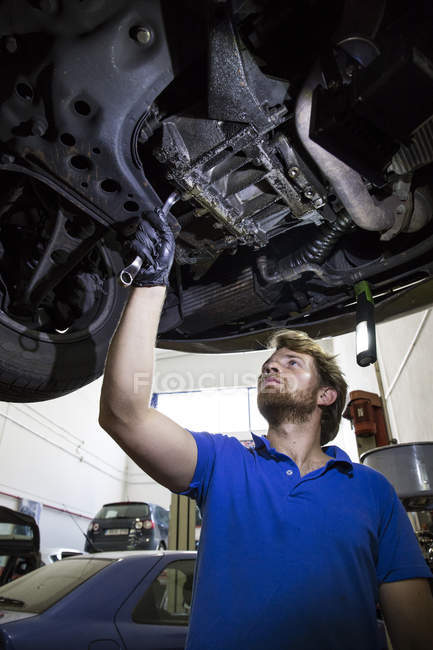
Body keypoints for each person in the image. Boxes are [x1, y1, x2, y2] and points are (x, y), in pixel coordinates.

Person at [99, 209, 433, 650]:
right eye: (269, 364)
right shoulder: (225, 461)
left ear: (326, 395)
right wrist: (151, 284)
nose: (272, 365)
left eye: (292, 363)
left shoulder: (372, 491)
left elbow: (415, 631)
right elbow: (124, 414)